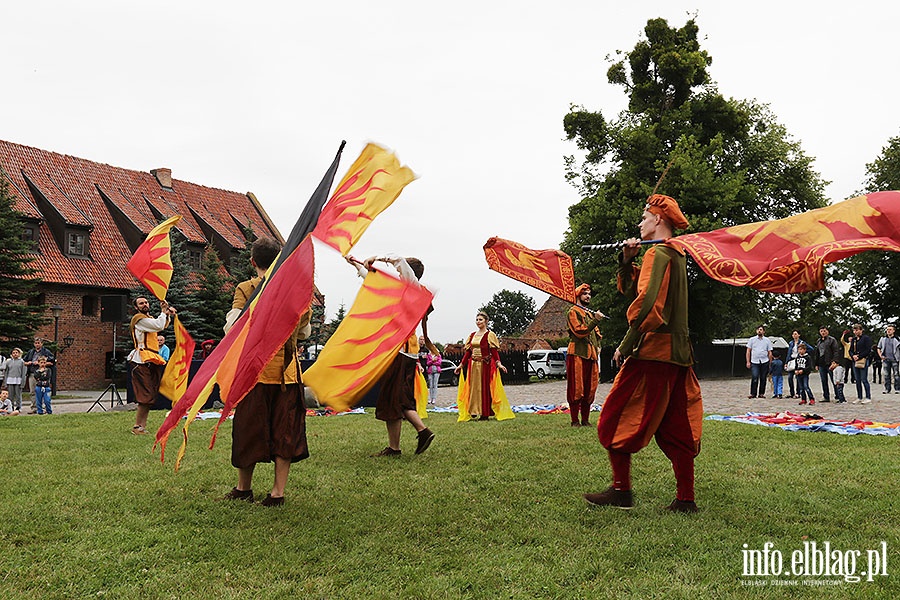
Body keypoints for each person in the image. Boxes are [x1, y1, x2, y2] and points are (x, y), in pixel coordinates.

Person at [584, 194, 702, 513]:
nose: (640, 223)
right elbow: (636, 288)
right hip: (679, 355)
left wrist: (626, 343)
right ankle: (685, 499)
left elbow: (650, 303)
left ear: (657, 221)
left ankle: (622, 491)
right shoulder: (675, 255)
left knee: (614, 418)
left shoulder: (659, 254)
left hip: (653, 353)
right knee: (677, 425)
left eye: (644, 217)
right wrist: (626, 261)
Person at [222, 237, 313, 506]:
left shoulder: (246, 288)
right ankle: (277, 492)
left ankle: (243, 488)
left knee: (248, 430)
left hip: (254, 373)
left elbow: (232, 328)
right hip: (287, 373)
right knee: (285, 432)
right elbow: (305, 332)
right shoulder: (294, 290)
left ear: (253, 261)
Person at [351, 255, 435, 457]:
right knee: (398, 398)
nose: (397, 274)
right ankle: (400, 444)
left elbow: (398, 260)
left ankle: (421, 432)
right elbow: (374, 283)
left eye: (400, 272)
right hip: (405, 352)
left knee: (394, 398)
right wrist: (354, 264)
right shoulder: (405, 293)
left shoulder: (413, 290)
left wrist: (378, 258)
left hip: (401, 352)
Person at [127, 296, 175, 434]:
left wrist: (165, 313)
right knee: (145, 394)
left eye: (146, 302)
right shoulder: (139, 320)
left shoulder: (149, 319)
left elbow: (163, 325)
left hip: (150, 359)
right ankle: (137, 426)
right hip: (140, 360)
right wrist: (163, 312)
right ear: (136, 307)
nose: (145, 304)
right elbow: (158, 325)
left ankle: (141, 426)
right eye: (141, 303)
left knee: (150, 394)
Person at [454, 311, 514, 422]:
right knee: (473, 389)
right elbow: (468, 352)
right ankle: (473, 411)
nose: (478, 322)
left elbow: (494, 351)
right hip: (473, 366)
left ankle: (484, 413)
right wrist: (461, 365)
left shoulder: (490, 335)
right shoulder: (472, 335)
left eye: (480, 319)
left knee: (484, 389)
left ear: (486, 321)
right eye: (477, 320)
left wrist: (499, 364)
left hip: (485, 366)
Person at [566, 283, 603, 426]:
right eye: (585, 294)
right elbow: (579, 331)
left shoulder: (588, 313)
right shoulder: (573, 312)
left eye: (589, 294)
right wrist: (596, 320)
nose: (588, 296)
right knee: (577, 388)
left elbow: (597, 334)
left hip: (591, 355)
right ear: (578, 295)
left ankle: (586, 420)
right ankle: (575, 420)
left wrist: (598, 346)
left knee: (590, 388)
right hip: (577, 354)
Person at [23, 337, 54, 414]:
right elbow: (24, 361)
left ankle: (43, 407)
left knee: (43, 391)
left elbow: (52, 362)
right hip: (33, 373)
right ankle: (34, 407)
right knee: (33, 391)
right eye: (36, 343)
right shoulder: (31, 352)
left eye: (38, 343)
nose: (37, 344)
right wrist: (29, 363)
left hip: (43, 374)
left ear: (41, 344)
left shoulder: (46, 352)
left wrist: (41, 363)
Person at [745, 326, 773, 399]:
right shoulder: (752, 340)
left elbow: (769, 352)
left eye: (761, 330)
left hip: (764, 361)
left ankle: (761, 393)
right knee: (755, 377)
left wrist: (770, 363)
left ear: (764, 331)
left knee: (763, 378)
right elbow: (748, 351)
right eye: (758, 330)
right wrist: (748, 361)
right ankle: (753, 393)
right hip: (754, 361)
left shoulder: (767, 340)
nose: (759, 331)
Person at [815, 327, 840, 403]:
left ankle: (838, 396)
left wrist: (834, 361)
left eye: (824, 331)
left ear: (827, 332)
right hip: (821, 363)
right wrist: (816, 363)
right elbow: (817, 353)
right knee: (823, 380)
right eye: (821, 331)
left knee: (834, 380)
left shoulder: (832, 340)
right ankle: (826, 396)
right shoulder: (819, 341)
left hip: (830, 362)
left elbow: (836, 351)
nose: (823, 332)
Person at [849, 323, 873, 404]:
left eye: (857, 330)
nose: (855, 332)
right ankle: (859, 396)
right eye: (854, 330)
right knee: (857, 380)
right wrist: (853, 356)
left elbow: (868, 350)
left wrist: (859, 356)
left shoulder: (866, 338)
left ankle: (868, 396)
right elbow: (850, 350)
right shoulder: (854, 340)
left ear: (861, 330)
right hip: (855, 361)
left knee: (864, 379)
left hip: (863, 360)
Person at [877, 324, 900, 394]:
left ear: (893, 331)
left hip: (894, 359)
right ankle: (887, 388)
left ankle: (897, 388)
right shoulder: (883, 339)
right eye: (887, 329)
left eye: (890, 329)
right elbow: (878, 347)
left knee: (896, 374)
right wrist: (880, 355)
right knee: (886, 375)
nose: (888, 331)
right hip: (885, 359)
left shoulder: (897, 339)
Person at [4, 348, 26, 413]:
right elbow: (6, 372)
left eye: (16, 352)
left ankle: (19, 407)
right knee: (10, 395)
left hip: (18, 380)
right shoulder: (8, 362)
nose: (15, 354)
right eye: (13, 353)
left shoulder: (22, 362)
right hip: (10, 380)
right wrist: (5, 382)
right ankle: (11, 407)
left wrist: (22, 382)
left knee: (18, 395)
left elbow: (23, 373)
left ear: (19, 354)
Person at [422, 338, 442, 406]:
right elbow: (427, 363)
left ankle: (434, 398)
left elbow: (439, 363)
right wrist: (432, 361)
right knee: (430, 385)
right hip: (430, 371)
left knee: (435, 385)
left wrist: (434, 362)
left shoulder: (438, 355)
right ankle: (430, 398)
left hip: (437, 371)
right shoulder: (429, 355)